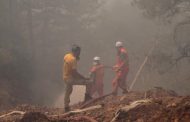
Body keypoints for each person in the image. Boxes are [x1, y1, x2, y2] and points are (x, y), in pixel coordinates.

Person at [63, 44, 91, 112]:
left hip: (65, 77)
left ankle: (66, 107)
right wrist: (84, 78)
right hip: (70, 78)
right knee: (89, 83)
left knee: (68, 90)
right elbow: (74, 73)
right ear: (76, 51)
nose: (79, 53)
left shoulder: (67, 55)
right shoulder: (73, 59)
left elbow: (67, 63)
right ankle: (87, 98)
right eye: (79, 52)